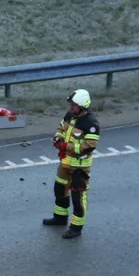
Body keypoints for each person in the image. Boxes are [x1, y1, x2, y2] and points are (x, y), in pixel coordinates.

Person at [43, 89, 101, 240]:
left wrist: (65, 147)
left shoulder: (91, 123)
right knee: (60, 189)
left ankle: (76, 228)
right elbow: (61, 128)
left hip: (79, 168)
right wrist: (57, 138)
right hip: (65, 163)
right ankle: (60, 218)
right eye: (71, 104)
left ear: (83, 105)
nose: (71, 107)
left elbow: (89, 146)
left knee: (78, 197)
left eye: (74, 105)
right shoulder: (70, 116)